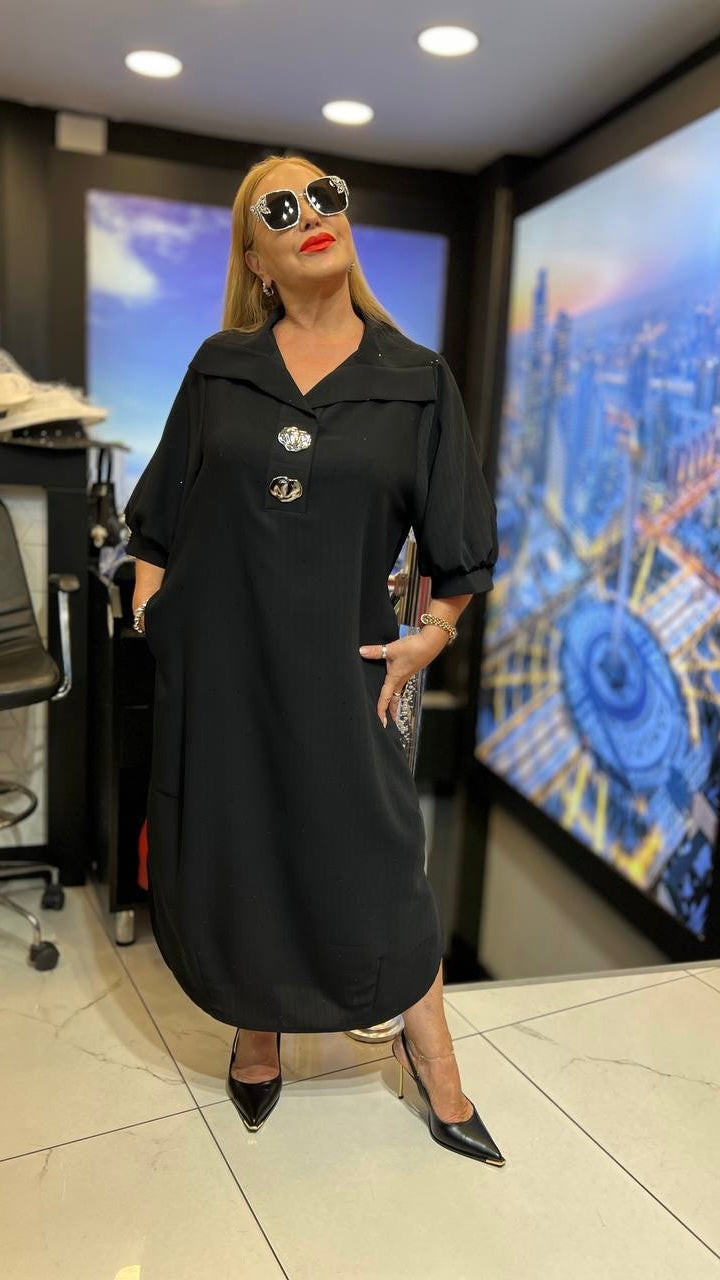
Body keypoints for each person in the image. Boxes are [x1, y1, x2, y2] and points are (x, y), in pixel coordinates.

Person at [123, 153, 504, 1165]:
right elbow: (158, 520)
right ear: (257, 258)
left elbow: (462, 548)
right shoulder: (221, 368)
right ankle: (258, 1036)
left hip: (344, 668)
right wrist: (156, 615)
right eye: (280, 209)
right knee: (245, 840)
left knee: (380, 857)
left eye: (324, 195)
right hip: (224, 666)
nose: (311, 216)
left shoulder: (416, 380)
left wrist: (433, 634)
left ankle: (433, 1058)